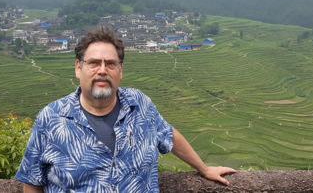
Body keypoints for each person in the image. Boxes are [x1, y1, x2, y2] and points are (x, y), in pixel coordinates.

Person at [15, 27, 236, 192]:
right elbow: (32, 181)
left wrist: (204, 168)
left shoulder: (139, 104)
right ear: (78, 68)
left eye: (110, 64)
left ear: (120, 70)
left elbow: (169, 135)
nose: (102, 70)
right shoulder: (52, 118)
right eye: (94, 63)